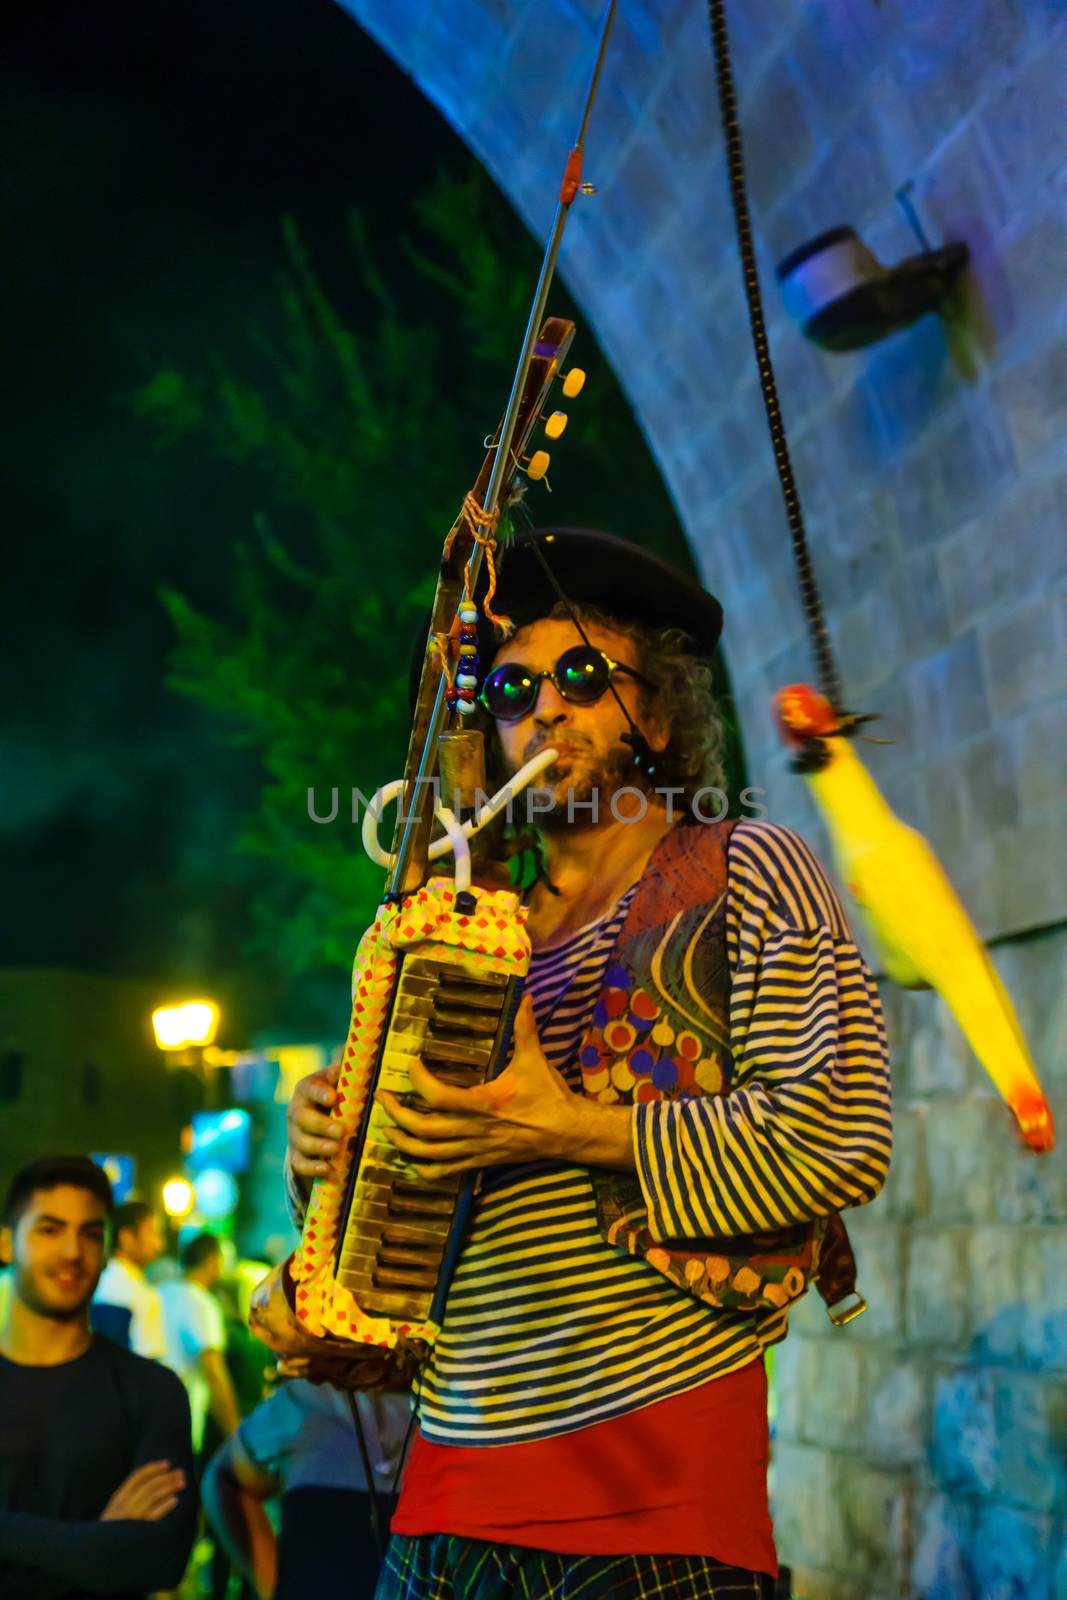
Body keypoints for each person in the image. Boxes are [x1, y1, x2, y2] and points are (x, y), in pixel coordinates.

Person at [283, 529, 893, 1600]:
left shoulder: (750, 868)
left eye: (580, 675)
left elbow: (836, 1132)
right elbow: (386, 1194)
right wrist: (324, 1148)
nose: (542, 708)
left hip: (652, 1522)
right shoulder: (463, 922)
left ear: (654, 712)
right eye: (512, 688)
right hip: (435, 1511)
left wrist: (559, 1123)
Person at [0, 1154, 196, 1598]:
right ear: (6, 1244)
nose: (72, 1252)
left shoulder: (153, 1392)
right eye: (49, 1230)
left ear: (107, 1251)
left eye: (90, 1234)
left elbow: (160, 1561)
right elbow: (120, 1560)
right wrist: (99, 1544)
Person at [203, 1380, 412, 1599]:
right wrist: (273, 1586)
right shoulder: (302, 1401)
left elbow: (222, 1478)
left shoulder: (303, 1399)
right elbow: (222, 1478)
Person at [160, 1232, 240, 1462]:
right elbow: (213, 1370)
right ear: (212, 1260)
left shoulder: (160, 1292)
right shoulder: (202, 1303)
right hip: (182, 1423)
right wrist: (234, 1433)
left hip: (147, 1420)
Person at [92, 1198, 165, 1357]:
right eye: (152, 1233)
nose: (159, 1245)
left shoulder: (91, 1284)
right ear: (126, 1238)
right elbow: (148, 1365)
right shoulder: (142, 1295)